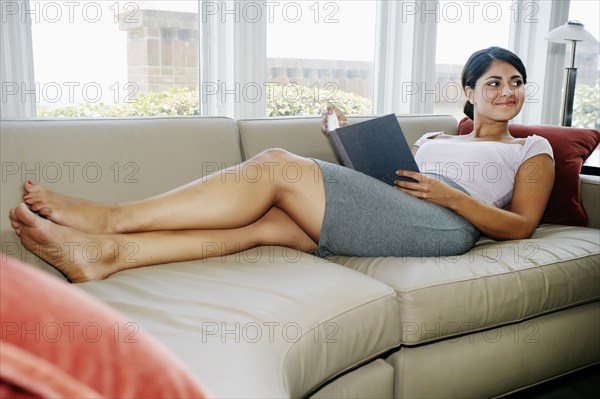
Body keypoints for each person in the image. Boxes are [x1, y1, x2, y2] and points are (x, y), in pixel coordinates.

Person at [9, 47, 554, 283]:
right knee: (264, 227)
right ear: (469, 91)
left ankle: (112, 218)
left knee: (274, 165)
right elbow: (390, 182)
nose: (507, 92)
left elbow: (521, 227)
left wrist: (452, 197)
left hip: (454, 225)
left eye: (515, 82)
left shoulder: (531, 150)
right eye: (493, 83)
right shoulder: (434, 135)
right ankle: (106, 256)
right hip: (410, 210)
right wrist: (348, 139)